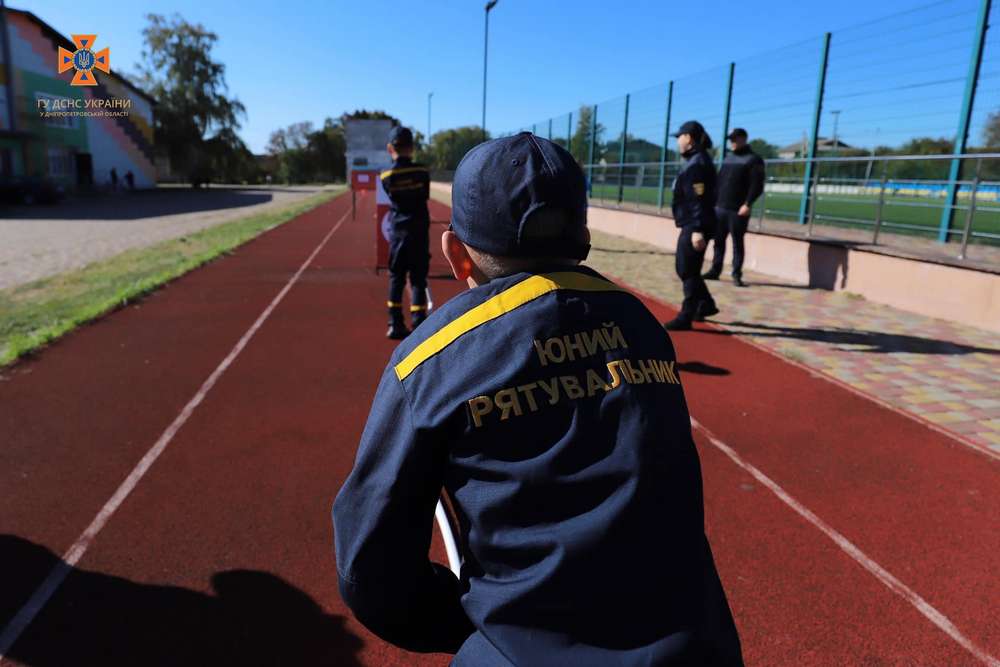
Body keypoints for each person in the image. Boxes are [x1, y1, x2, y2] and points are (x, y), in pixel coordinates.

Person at [333, 132, 744, 666]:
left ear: (456, 254)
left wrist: (462, 620)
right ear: (585, 240)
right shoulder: (642, 323)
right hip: (699, 649)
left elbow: (369, 570)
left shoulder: (432, 360)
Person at [664, 120, 719, 331]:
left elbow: (700, 199)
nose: (678, 141)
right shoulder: (695, 160)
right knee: (688, 268)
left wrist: (697, 228)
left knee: (687, 269)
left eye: (680, 137)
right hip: (693, 222)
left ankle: (686, 315)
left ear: (689, 137)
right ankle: (705, 304)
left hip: (696, 224)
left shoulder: (697, 164)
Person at [380, 126, 431, 339]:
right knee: (418, 279)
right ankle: (419, 323)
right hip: (418, 232)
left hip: (398, 233)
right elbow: (424, 196)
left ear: (390, 148)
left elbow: (392, 196)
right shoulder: (422, 172)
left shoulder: (386, 175)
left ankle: (395, 322)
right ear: (412, 148)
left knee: (396, 278)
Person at [704, 128, 765, 287]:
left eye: (734, 139)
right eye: (730, 139)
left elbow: (757, 185)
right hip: (720, 208)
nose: (731, 142)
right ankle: (715, 270)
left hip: (738, 210)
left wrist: (748, 204)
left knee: (737, 243)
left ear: (743, 139)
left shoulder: (754, 160)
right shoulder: (728, 158)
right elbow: (719, 181)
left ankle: (736, 274)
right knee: (718, 241)